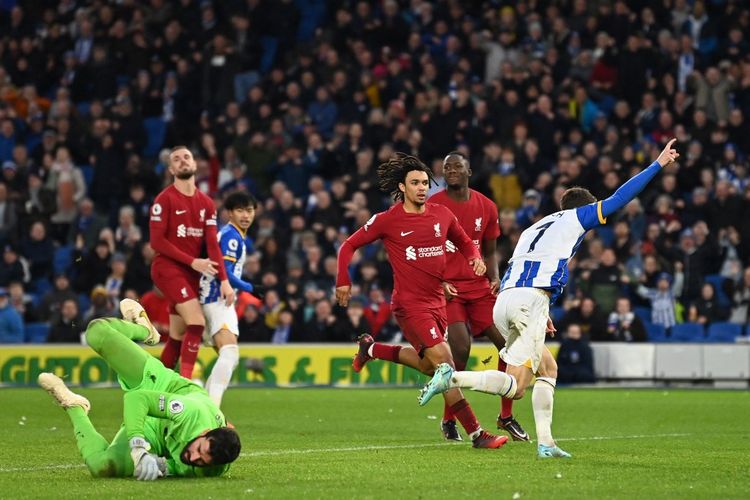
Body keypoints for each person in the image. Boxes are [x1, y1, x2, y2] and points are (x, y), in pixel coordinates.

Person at [418, 139, 680, 458]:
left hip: (509, 300)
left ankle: (547, 443)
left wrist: (542, 313)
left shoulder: (535, 227)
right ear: (583, 208)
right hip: (528, 300)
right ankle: (451, 376)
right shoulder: (576, 219)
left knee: (548, 367)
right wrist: (657, 164)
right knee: (515, 386)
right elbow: (621, 197)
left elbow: (519, 268)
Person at [336, 153, 507, 449]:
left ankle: (371, 348)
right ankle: (477, 434)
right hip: (410, 305)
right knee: (445, 364)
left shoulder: (441, 214)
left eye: (425, 183)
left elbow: (465, 241)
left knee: (430, 368)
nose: (421, 188)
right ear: (402, 187)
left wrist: (475, 258)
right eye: (415, 183)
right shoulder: (387, 220)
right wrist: (343, 280)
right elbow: (348, 245)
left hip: (438, 303)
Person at [38, 299, 241, 479]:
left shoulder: (213, 468)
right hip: (158, 384)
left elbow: (176, 465)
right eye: (199, 449)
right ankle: (144, 329)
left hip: (154, 433)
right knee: (96, 332)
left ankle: (74, 407)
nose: (194, 457)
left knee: (102, 467)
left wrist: (159, 465)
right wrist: (138, 448)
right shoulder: (189, 412)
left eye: (202, 460)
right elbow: (137, 399)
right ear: (205, 432)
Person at [429, 151, 528, 442]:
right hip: (449, 288)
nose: (451, 170)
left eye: (457, 166)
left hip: (480, 287)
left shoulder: (486, 206)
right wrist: (437, 281)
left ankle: (506, 416)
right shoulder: (433, 205)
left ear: (469, 171)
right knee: (460, 348)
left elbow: (489, 251)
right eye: (446, 167)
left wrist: (494, 277)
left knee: (508, 347)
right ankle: (450, 419)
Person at [150, 146, 235, 379]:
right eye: (176, 159)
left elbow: (213, 244)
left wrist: (225, 281)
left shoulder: (207, 204)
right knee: (196, 322)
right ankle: (186, 383)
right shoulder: (164, 200)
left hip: (191, 273)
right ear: (171, 169)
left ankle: (156, 387)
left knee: (177, 336)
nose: (182, 161)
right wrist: (193, 261)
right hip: (167, 269)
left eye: (186, 157)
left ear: (195, 165)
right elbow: (156, 241)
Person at [199, 191, 263, 406]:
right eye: (240, 210)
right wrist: (249, 287)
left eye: (249, 210)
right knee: (230, 353)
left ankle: (206, 404)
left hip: (211, 297)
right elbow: (223, 270)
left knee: (227, 356)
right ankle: (211, 410)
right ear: (229, 213)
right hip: (217, 298)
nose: (246, 215)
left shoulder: (231, 234)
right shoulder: (232, 237)